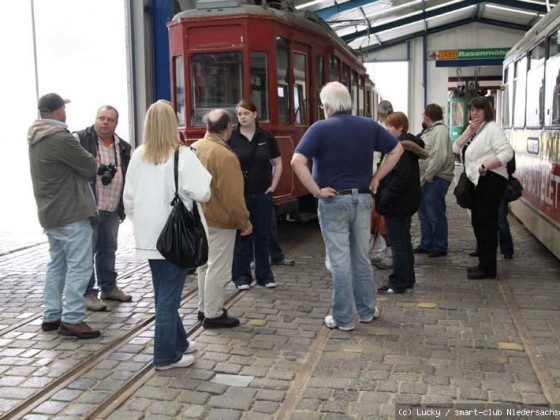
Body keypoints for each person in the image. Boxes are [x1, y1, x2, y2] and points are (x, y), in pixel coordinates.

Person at [291, 82, 403, 331]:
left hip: (333, 200)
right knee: (361, 257)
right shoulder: (369, 125)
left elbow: (297, 161)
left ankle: (342, 318)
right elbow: (397, 149)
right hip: (363, 199)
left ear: (327, 106)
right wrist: (377, 178)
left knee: (339, 260)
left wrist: (316, 191)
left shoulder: (319, 128)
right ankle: (366, 311)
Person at [123, 100, 211, 369]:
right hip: (175, 235)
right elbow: (203, 192)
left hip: (149, 235)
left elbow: (128, 198)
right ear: (173, 124)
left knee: (163, 291)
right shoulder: (182, 155)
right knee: (168, 297)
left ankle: (179, 343)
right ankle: (165, 356)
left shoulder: (138, 155)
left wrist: (141, 221)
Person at [28, 93, 101, 339]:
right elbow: (90, 165)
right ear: (59, 111)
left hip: (51, 213)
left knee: (57, 265)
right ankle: (72, 319)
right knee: (79, 267)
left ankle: (51, 316)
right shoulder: (59, 138)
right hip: (71, 212)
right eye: (64, 108)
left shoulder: (36, 136)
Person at [192, 109, 253, 328]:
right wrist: (244, 222)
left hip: (199, 217)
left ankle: (203, 307)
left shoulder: (194, 147)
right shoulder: (225, 155)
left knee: (204, 266)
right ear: (228, 128)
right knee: (218, 267)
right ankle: (213, 314)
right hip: (220, 219)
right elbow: (233, 195)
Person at [74, 106, 132, 312]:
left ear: (116, 123)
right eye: (101, 118)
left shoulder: (124, 147)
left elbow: (128, 178)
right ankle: (88, 293)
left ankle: (108, 288)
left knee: (108, 250)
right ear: (95, 119)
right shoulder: (81, 139)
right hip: (88, 207)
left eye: (110, 120)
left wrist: (122, 208)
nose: (105, 122)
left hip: (112, 207)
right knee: (86, 251)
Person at [452, 96, 513, 280]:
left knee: (486, 225)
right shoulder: (478, 131)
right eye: (471, 110)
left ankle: (488, 269)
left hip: (490, 180)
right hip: (479, 181)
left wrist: (486, 166)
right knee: (478, 223)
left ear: (487, 110)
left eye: (478, 109)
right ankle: (483, 264)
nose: (474, 113)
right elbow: (456, 148)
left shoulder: (492, 128)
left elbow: (507, 152)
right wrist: (470, 129)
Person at [230, 99, 282, 289]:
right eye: (239, 114)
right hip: (239, 195)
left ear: (255, 114)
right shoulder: (232, 137)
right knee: (241, 235)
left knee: (262, 235)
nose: (242, 117)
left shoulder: (266, 137)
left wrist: (273, 186)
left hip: (262, 193)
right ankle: (241, 277)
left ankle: (264, 276)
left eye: (245, 113)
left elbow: (278, 163)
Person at [375, 112, 428, 294]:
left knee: (398, 243)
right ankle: (408, 279)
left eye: (390, 126)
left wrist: (384, 197)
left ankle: (398, 282)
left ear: (400, 128)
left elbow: (399, 179)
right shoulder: (406, 147)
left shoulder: (401, 150)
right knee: (403, 242)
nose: (387, 129)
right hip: (404, 203)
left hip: (397, 204)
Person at [415, 104, 455, 258]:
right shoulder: (432, 130)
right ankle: (427, 243)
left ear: (427, 116)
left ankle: (440, 245)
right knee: (424, 212)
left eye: (424, 115)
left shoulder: (439, 131)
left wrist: (428, 176)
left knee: (435, 212)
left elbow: (439, 156)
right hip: (428, 178)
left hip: (436, 177)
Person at [470, 152, 516, 259]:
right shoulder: (482, 148)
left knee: (501, 221)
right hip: (482, 187)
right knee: (481, 220)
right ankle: (481, 248)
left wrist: (492, 167)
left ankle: (507, 250)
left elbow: (511, 169)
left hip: (499, 189)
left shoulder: (506, 149)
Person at [370, 100, 394, 269]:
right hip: (383, 180)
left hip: (381, 181)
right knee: (380, 219)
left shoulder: (383, 132)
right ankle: (382, 251)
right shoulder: (386, 131)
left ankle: (383, 253)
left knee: (381, 219)